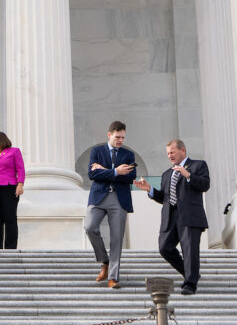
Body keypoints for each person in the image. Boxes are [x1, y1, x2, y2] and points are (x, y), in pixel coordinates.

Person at [135, 139, 210, 295]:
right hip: (170, 217)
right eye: (168, 153)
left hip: (190, 216)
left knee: (189, 250)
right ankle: (191, 273)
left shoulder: (198, 165)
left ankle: (190, 283)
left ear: (183, 150)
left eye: (172, 152)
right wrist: (149, 189)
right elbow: (164, 198)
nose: (170, 155)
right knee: (164, 248)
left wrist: (188, 175)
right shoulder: (166, 174)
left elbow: (205, 185)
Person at [84, 120, 136, 289]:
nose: (120, 140)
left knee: (116, 239)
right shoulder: (97, 151)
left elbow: (130, 177)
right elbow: (92, 174)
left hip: (119, 199)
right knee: (90, 227)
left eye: (123, 137)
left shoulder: (128, 155)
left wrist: (104, 170)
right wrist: (115, 171)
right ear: (109, 135)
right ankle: (104, 261)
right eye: (117, 137)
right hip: (98, 197)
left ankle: (113, 277)